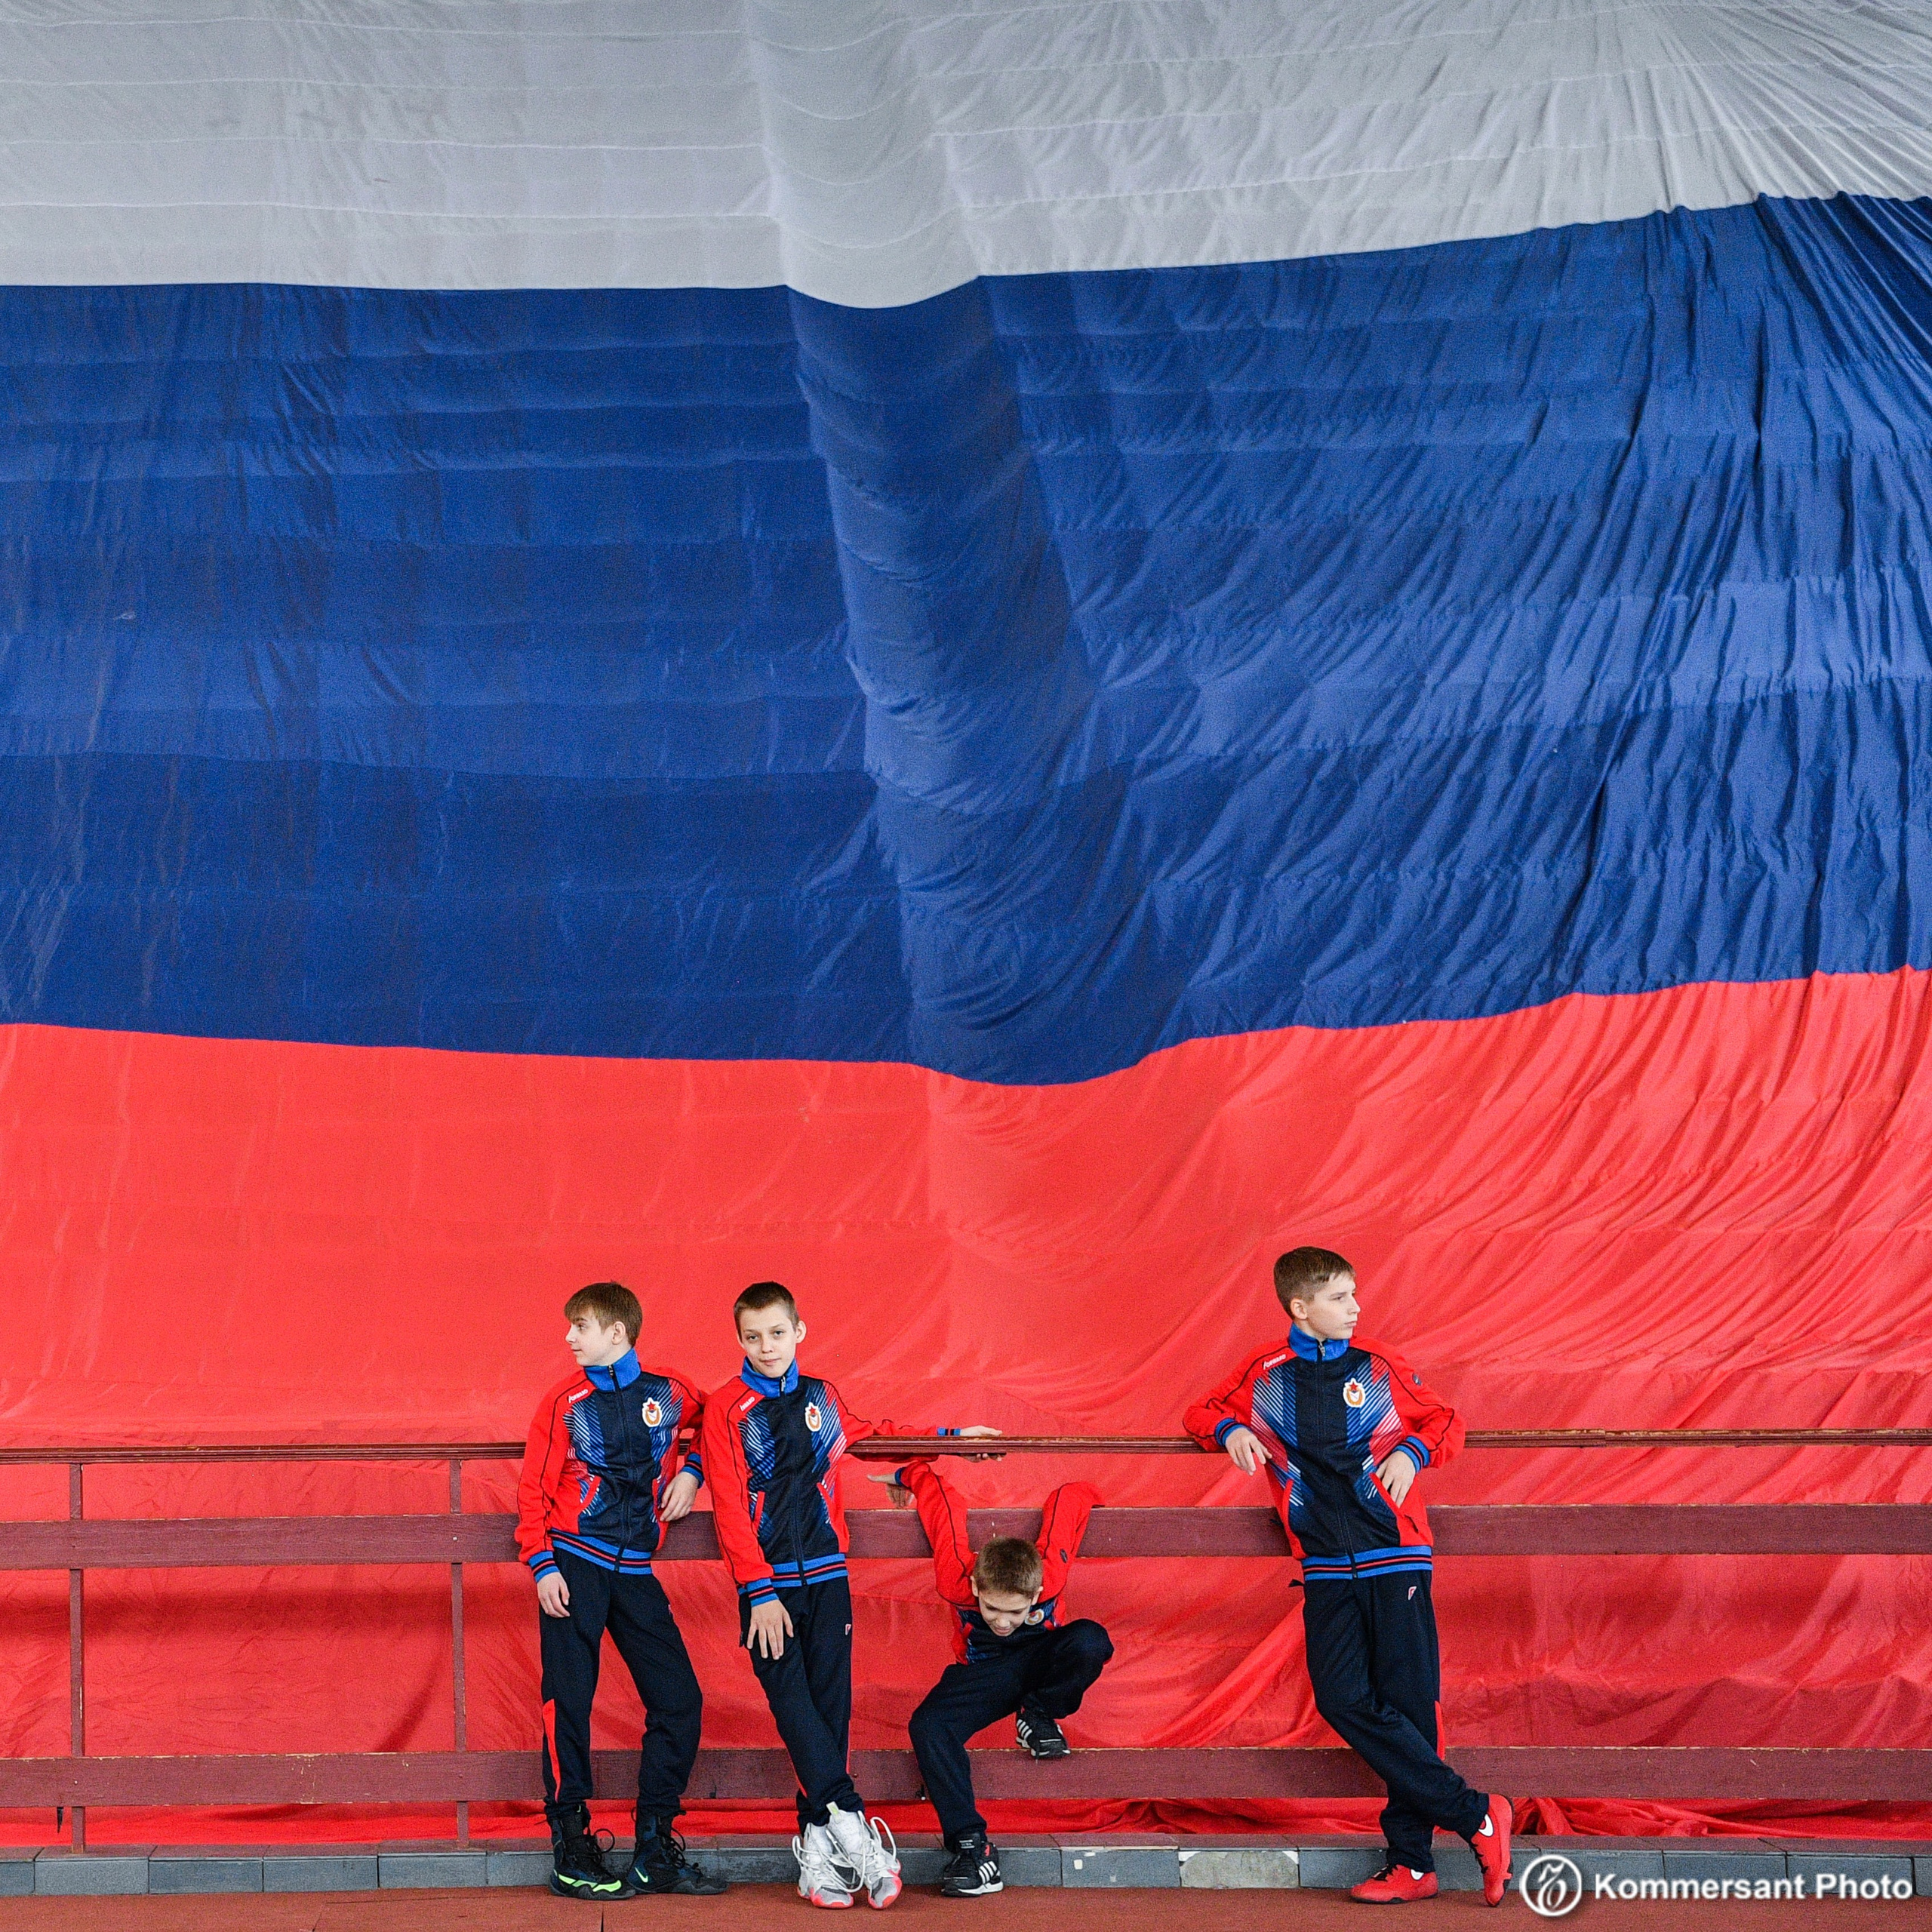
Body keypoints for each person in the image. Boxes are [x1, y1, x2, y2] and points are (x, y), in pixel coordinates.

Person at [1183, 1247, 1512, 1906]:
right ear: (1300, 1307)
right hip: (1325, 1565)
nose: (1356, 1307)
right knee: (1341, 1697)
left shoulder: (1377, 1364)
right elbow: (1199, 1411)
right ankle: (1477, 1812)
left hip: (1397, 1555)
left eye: (1355, 1294)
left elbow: (1446, 1420)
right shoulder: (1265, 1372)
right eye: (1340, 1298)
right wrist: (1228, 1430)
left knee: (1410, 1707)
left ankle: (1412, 1864)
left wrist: (1413, 1452)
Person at [703, 1281, 1001, 1909]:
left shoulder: (823, 1396)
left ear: (799, 1331)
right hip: (768, 1589)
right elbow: (729, 1505)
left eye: (776, 1333)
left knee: (829, 1712)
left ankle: (817, 1859)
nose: (766, 1347)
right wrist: (759, 1590)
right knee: (793, 1706)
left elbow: (876, 1435)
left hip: (828, 1578)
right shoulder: (728, 1408)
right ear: (739, 1340)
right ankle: (855, 1830)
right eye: (753, 1337)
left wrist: (954, 1438)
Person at [515, 1280, 727, 1900]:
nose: (568, 1337)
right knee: (568, 1704)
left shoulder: (670, 1389)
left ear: (617, 1333)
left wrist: (693, 1472)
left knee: (680, 1701)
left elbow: (721, 1421)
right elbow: (532, 1489)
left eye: (579, 1326)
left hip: (636, 1572)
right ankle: (571, 1848)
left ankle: (654, 1850)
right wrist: (543, 1565)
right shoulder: (564, 1402)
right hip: (574, 1565)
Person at [873, 1458, 1111, 1897]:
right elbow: (944, 1507)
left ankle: (1037, 1715)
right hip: (984, 1676)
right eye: (991, 1608)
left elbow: (1068, 1500)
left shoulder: (1051, 1575)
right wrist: (908, 1475)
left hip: (1040, 1666)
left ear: (1037, 1594)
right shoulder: (955, 1578)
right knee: (929, 1726)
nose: (1002, 1622)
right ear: (975, 1589)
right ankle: (972, 1848)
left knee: (1090, 1639)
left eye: (1016, 1611)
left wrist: (1099, 1493)